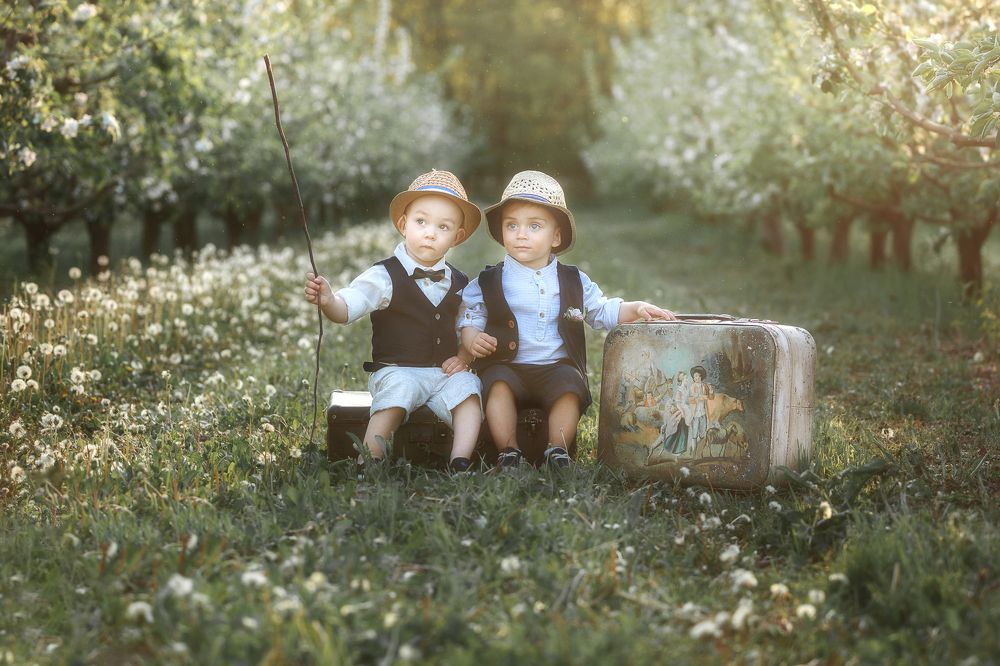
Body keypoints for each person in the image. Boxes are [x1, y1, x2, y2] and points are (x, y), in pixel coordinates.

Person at [458, 170, 676, 469]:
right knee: (496, 386)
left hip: (555, 365)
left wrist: (634, 308)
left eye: (534, 226)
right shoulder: (490, 279)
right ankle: (508, 449)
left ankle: (557, 449)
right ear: (502, 231)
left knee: (569, 388)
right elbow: (471, 313)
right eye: (512, 225)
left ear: (556, 236)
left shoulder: (573, 280)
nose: (521, 234)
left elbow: (601, 310)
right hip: (506, 364)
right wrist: (471, 336)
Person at [304, 170, 483, 474]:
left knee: (469, 387)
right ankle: (369, 459)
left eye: (444, 227)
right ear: (403, 225)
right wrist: (329, 301)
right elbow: (348, 307)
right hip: (397, 370)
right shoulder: (384, 275)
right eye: (421, 222)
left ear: (458, 237)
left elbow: (467, 325)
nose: (430, 233)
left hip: (442, 373)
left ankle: (460, 459)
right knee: (398, 391)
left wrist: (463, 357)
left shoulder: (462, 282)